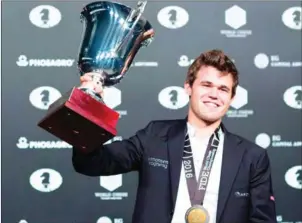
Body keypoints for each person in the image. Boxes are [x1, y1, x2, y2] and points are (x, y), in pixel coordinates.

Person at [72, 49, 277, 223]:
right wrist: (89, 107)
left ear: (231, 98)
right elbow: (92, 162)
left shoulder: (252, 156)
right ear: (188, 87)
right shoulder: (155, 136)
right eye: (206, 85)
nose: (214, 94)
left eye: (223, 89)